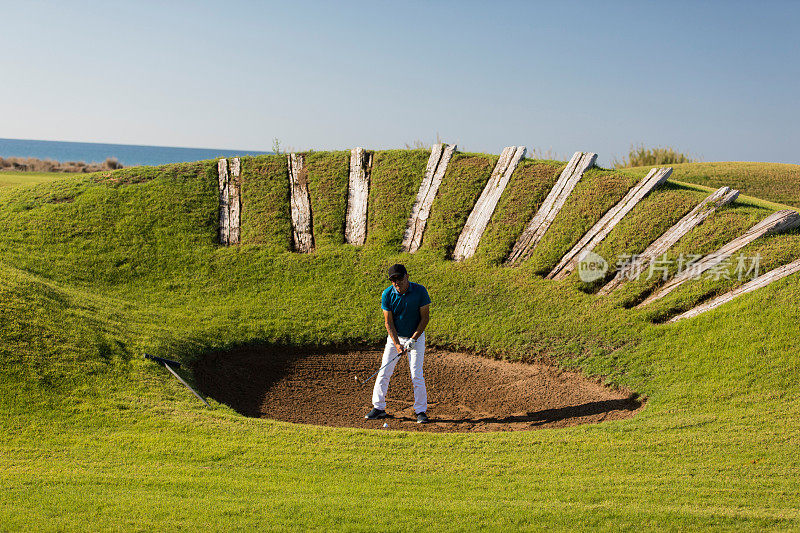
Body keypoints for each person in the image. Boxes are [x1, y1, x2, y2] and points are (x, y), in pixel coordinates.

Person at [365, 263, 431, 424]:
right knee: (384, 372)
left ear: (407, 276)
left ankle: (420, 411)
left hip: (416, 337)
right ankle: (378, 408)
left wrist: (413, 340)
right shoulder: (387, 294)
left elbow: (425, 318)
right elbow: (388, 323)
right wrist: (397, 344)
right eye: (393, 280)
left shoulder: (420, 291)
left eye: (399, 278)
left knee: (416, 375)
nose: (396, 282)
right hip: (395, 337)